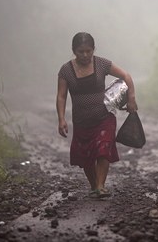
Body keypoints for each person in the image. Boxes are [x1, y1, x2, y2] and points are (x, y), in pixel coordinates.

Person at [56, 32, 138, 198]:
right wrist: (61, 119)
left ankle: (100, 186)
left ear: (94, 49)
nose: (85, 55)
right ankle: (94, 185)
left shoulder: (101, 64)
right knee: (86, 156)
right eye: (81, 51)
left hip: (104, 117)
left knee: (103, 148)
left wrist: (131, 99)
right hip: (81, 121)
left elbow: (126, 76)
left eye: (89, 51)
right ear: (74, 50)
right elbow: (61, 96)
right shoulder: (66, 70)